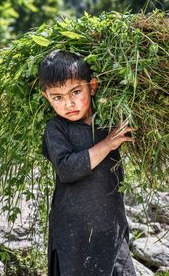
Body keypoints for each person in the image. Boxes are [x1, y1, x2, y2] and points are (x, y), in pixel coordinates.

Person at [39, 49, 136, 276]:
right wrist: (108, 144)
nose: (68, 103)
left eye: (75, 92)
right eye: (58, 97)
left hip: (110, 224)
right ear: (46, 97)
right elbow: (66, 169)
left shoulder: (109, 121)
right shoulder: (57, 128)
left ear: (92, 86)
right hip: (73, 231)